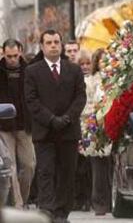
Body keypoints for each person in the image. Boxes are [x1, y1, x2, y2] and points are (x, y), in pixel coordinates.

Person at [24, 30, 86, 223]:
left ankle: (61, 212)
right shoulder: (32, 71)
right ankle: (47, 211)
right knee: (46, 172)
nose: (53, 46)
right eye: (49, 42)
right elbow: (32, 100)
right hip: (45, 131)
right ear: (42, 46)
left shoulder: (73, 70)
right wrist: (51, 119)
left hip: (68, 131)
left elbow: (80, 97)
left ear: (61, 45)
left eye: (56, 42)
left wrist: (67, 118)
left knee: (67, 173)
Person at [0, 39, 35, 209]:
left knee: (29, 164)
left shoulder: (29, 71)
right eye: (8, 56)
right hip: (4, 126)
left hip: (24, 124)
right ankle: (18, 204)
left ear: (20, 51)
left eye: (15, 55)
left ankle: (24, 198)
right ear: (3, 53)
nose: (12, 59)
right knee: (11, 165)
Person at [81, 48, 112, 216]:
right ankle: (99, 202)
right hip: (96, 126)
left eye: (107, 59)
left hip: (112, 126)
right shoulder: (90, 81)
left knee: (111, 165)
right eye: (101, 60)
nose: (105, 63)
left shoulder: (116, 79)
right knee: (98, 166)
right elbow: (86, 105)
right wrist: (92, 123)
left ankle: (112, 201)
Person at [73, 50, 92, 212]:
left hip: (92, 125)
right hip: (77, 124)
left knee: (89, 166)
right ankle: (78, 198)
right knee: (78, 166)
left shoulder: (96, 80)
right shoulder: (73, 80)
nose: (85, 67)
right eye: (82, 64)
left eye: (88, 63)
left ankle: (89, 197)